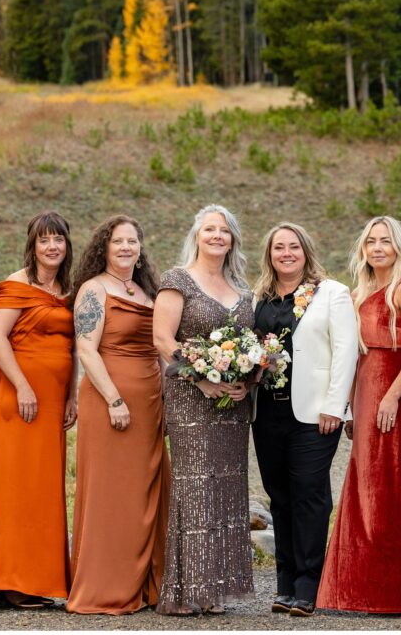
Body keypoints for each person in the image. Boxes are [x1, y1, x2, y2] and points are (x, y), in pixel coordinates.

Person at [316, 216, 401, 614]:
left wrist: (390, 397)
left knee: (395, 484)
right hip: (365, 393)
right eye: (371, 241)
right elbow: (351, 356)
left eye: (385, 241)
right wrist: (349, 407)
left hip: (397, 396)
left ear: (397, 247)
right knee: (366, 485)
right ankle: (361, 586)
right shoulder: (357, 294)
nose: (377, 248)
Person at [251, 223, 358, 617]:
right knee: (279, 496)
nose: (286, 253)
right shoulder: (258, 298)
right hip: (267, 412)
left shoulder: (332, 293)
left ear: (306, 251)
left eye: (293, 246)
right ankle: (285, 584)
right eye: (279, 247)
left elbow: (346, 351)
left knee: (309, 495)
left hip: (315, 413)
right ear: (270, 255)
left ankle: (309, 585)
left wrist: (335, 405)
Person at [153, 204, 255, 615]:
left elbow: (251, 346)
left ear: (232, 240)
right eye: (210, 229)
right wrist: (202, 379)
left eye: (224, 231)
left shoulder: (241, 287)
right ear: (197, 235)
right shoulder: (178, 280)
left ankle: (214, 590)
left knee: (226, 490)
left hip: (233, 406)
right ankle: (184, 592)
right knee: (195, 488)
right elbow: (162, 338)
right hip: (191, 400)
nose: (217, 236)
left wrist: (247, 379)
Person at [66, 215, 171, 615]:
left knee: (148, 489)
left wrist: (167, 399)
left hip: (150, 402)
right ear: (104, 248)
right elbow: (86, 350)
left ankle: (148, 584)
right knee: (113, 493)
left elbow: (159, 349)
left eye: (132, 241)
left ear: (140, 249)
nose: (126, 247)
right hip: (110, 401)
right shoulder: (94, 290)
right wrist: (114, 399)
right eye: (118, 241)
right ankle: (107, 586)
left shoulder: (148, 291)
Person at [0, 211, 77, 608]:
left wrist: (72, 396)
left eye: (58, 239)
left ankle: (43, 578)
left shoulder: (70, 288)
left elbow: (73, 347)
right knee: (18, 486)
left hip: (54, 399)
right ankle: (14, 581)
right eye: (44, 240)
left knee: (45, 487)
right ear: (33, 245)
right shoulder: (17, 284)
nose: (52, 246)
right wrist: (22, 385)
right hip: (20, 397)